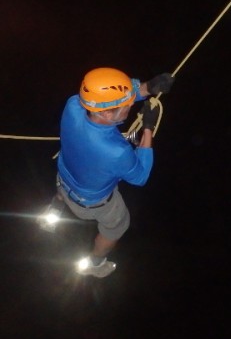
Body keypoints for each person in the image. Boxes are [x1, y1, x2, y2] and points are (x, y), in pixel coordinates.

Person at [56, 67, 174, 278]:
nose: (131, 104)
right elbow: (140, 177)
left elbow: (108, 99)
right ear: (107, 113)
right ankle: (95, 262)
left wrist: (148, 87)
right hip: (91, 203)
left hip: (63, 180)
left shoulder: (73, 105)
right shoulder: (116, 151)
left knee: (73, 168)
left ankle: (56, 205)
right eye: (126, 105)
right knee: (118, 225)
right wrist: (148, 126)